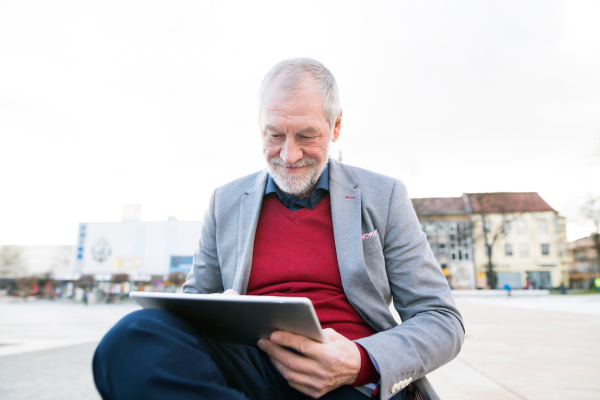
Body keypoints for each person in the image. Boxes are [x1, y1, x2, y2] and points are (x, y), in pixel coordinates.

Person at [92, 58, 464, 400]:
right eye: (274, 136)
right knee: (131, 338)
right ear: (260, 128)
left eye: (306, 136)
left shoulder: (384, 196)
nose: (288, 156)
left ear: (335, 127)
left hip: (344, 378)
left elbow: (441, 320)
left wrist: (360, 359)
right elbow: (190, 311)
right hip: (246, 367)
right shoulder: (225, 201)